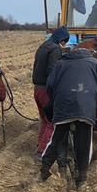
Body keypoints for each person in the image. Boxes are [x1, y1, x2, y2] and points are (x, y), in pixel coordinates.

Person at [39, 47, 97, 189]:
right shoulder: (96, 64)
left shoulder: (60, 64)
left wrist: (57, 100)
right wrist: (92, 100)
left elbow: (50, 85)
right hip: (85, 108)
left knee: (57, 138)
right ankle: (81, 178)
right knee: (84, 141)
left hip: (63, 105)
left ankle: (44, 171)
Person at [32, 27, 70, 155]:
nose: (64, 44)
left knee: (44, 119)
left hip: (37, 89)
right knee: (52, 122)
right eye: (64, 41)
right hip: (46, 91)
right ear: (61, 39)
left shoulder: (43, 46)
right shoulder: (55, 49)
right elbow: (52, 72)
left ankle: (39, 144)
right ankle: (42, 152)